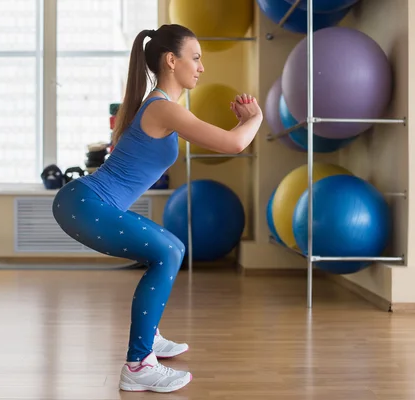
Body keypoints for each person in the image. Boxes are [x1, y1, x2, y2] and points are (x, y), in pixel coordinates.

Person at [52, 23, 263, 393]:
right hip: (86, 202)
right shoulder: (164, 109)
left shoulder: (157, 106)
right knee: (168, 251)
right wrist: (255, 119)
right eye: (195, 58)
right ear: (171, 60)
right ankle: (138, 366)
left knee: (169, 249)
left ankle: (148, 337)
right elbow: (233, 144)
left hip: (85, 201)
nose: (201, 67)